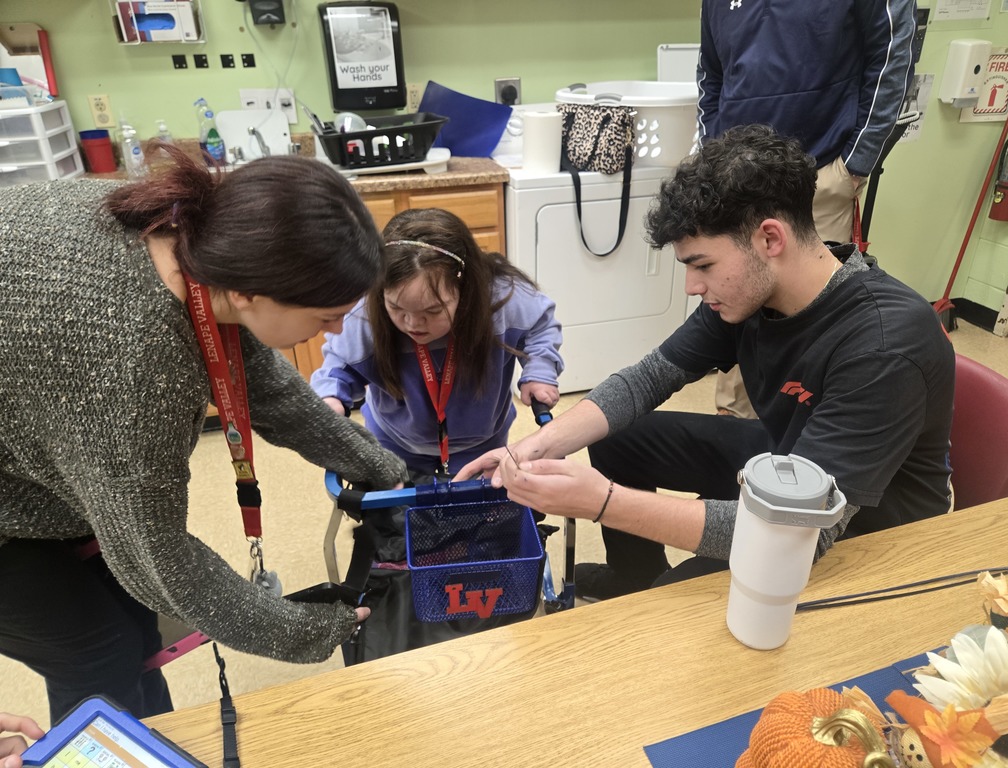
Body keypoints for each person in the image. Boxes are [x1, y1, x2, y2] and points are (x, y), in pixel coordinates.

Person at [456, 125, 954, 599]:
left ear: (770, 239)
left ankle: (651, 594)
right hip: (787, 462)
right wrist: (533, 449)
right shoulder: (750, 296)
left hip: (866, 527)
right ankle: (636, 576)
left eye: (703, 265)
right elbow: (648, 378)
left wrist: (603, 501)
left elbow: (796, 533)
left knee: (670, 608)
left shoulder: (883, 344)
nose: (694, 287)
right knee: (622, 435)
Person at [0, 144, 408, 722]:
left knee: (134, 631)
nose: (339, 329)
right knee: (94, 651)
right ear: (247, 292)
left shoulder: (187, 236)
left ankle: (150, 743)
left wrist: (384, 472)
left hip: (34, 413)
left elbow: (264, 386)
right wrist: (304, 630)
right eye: (325, 317)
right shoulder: (136, 362)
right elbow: (156, 556)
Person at [697, 0, 919, 418]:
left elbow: (891, 61)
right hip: (733, 179)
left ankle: (796, 439)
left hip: (819, 174)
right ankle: (735, 428)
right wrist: (712, 155)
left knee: (807, 322)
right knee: (736, 308)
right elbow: (712, 74)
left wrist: (855, 164)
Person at [311, 207, 563, 479]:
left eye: (431, 311)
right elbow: (338, 365)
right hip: (394, 441)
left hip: (482, 442)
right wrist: (331, 396)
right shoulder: (365, 315)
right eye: (396, 308)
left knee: (476, 514)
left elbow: (540, 326)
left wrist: (540, 371)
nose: (412, 324)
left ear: (464, 289)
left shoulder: (501, 298)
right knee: (399, 514)